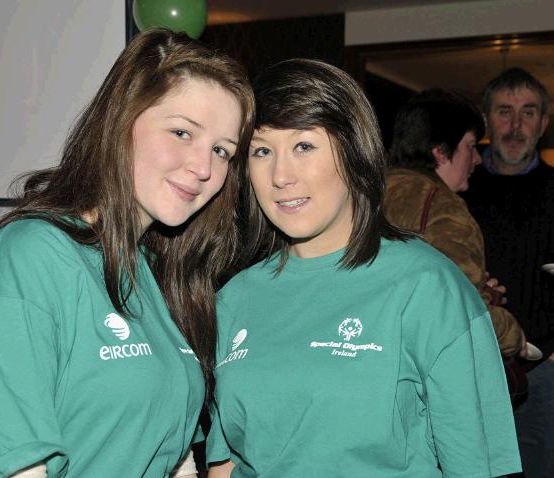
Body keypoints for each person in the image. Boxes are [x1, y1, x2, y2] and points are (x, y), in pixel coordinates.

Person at [0, 28, 254, 477]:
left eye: (222, 150)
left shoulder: (155, 271)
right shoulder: (27, 260)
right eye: (182, 132)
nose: (203, 167)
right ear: (122, 123)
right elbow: (13, 466)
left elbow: (173, 451)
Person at [206, 59, 521, 477]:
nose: (280, 175)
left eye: (304, 146)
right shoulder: (233, 299)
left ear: (354, 151)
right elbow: (226, 462)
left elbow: (481, 466)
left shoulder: (428, 287)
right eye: (262, 151)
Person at [383, 90, 526, 380]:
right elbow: (462, 314)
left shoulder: (358, 193)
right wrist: (513, 335)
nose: (477, 159)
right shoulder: (444, 208)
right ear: (440, 151)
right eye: (471, 146)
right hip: (420, 376)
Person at [461, 68, 554, 478]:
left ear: (544, 123)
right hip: (467, 375)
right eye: (504, 112)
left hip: (545, 378)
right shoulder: (458, 191)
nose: (515, 126)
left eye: (528, 112)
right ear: (485, 121)